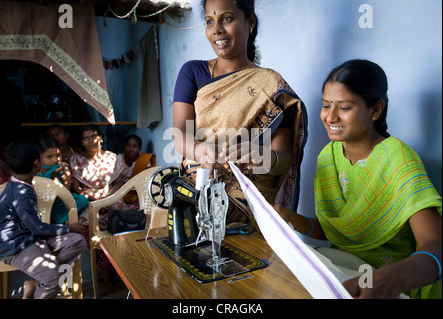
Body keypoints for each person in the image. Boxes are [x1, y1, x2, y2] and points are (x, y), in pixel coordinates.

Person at [275, 59, 442, 299]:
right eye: (326, 105)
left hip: (390, 286)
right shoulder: (329, 157)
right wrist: (290, 220)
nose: (330, 117)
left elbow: (435, 245)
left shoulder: (398, 159)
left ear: (375, 110)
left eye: (343, 107)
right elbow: (339, 230)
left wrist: (393, 277)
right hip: (344, 274)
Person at [173, 0, 307, 229]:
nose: (216, 29)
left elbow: (282, 159)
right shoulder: (192, 72)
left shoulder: (271, 86)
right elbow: (179, 135)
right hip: (196, 194)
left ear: (250, 21)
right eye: (209, 21)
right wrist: (198, 149)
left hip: (249, 207)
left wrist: (262, 157)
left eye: (226, 18)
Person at [0, 140, 86, 299]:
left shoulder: (22, 183)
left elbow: (35, 227)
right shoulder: (21, 194)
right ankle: (46, 281)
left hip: (30, 237)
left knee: (77, 241)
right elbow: (38, 228)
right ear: (37, 164)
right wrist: (69, 228)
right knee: (53, 279)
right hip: (14, 245)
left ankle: (36, 282)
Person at [69, 124, 124, 282]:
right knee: (83, 223)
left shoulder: (113, 157)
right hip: (90, 201)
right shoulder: (76, 159)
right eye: (86, 138)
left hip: (112, 197)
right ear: (81, 142)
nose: (91, 140)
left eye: (93, 136)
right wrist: (95, 201)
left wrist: (108, 200)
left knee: (123, 219)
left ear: (100, 137)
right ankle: (104, 264)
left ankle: (118, 263)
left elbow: (118, 183)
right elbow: (77, 188)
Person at [38, 137, 89, 224]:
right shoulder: (36, 169)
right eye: (49, 157)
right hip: (42, 203)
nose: (55, 160)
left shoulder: (64, 169)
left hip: (60, 202)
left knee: (82, 200)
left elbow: (64, 194)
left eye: (58, 155)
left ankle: (60, 220)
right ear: (40, 156)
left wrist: (55, 175)